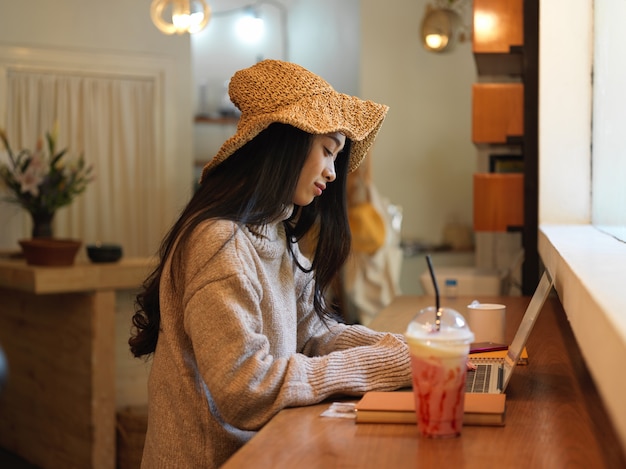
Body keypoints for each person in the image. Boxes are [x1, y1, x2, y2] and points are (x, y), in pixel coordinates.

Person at [129, 59, 412, 468]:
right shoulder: (219, 242)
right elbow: (246, 390)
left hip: (265, 452)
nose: (333, 174)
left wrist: (403, 348)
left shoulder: (275, 231)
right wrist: (382, 363)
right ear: (288, 143)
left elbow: (311, 332)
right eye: (328, 152)